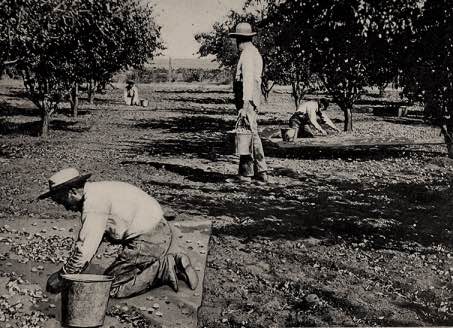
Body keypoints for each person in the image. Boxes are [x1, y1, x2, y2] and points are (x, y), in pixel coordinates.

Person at [38, 168, 198, 298]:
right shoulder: (97, 189)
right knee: (117, 270)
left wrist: (63, 276)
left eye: (62, 201)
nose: (65, 207)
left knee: (109, 288)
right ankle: (164, 263)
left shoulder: (94, 204)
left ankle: (165, 268)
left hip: (149, 239)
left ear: (72, 192)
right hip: (158, 228)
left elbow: (85, 249)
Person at [229, 22, 268, 183]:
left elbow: (248, 82)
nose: (236, 44)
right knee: (245, 134)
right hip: (250, 98)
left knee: (251, 134)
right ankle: (246, 172)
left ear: (240, 39)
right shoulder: (253, 52)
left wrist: (245, 105)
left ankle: (261, 171)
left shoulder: (247, 55)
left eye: (237, 40)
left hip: (248, 99)